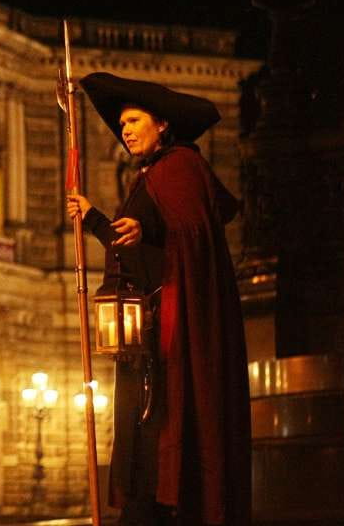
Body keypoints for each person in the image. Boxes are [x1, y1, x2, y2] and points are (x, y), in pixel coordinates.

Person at [66, 72, 250, 526]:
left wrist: (143, 228)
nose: (125, 130)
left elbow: (190, 235)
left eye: (133, 120)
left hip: (172, 338)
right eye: (122, 123)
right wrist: (95, 220)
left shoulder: (181, 167)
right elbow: (138, 248)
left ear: (162, 124)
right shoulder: (152, 176)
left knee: (160, 438)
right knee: (143, 443)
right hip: (145, 339)